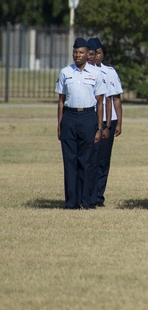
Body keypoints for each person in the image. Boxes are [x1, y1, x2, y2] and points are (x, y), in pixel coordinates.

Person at [55, 37, 106, 209]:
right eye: (75, 52)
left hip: (88, 118)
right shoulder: (65, 73)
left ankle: (86, 201)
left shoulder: (96, 74)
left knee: (87, 161)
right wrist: (60, 124)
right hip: (69, 117)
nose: (77, 55)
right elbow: (61, 101)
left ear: (87, 54)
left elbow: (100, 103)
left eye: (81, 52)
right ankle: (71, 202)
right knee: (70, 161)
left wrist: (99, 128)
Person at [88, 37, 123, 208]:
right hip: (89, 118)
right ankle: (88, 194)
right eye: (93, 53)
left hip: (108, 120)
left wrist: (118, 123)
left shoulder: (109, 72)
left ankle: (98, 196)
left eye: (99, 53)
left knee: (103, 159)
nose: (95, 57)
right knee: (90, 158)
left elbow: (115, 99)